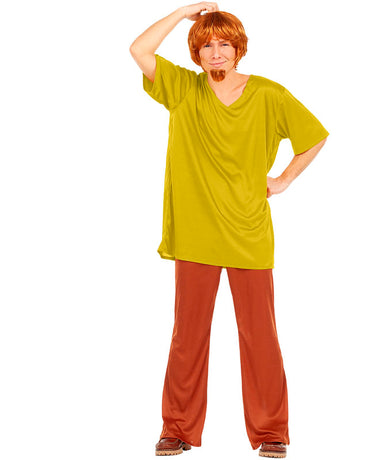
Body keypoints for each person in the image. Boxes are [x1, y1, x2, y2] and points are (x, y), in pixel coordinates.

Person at [129, 2, 329, 457]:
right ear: (196, 53)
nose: (215, 52)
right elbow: (139, 50)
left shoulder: (268, 94)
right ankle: (177, 428)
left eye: (224, 44)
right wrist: (184, 12)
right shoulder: (183, 88)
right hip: (196, 234)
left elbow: (314, 136)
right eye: (206, 46)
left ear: (239, 49)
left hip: (248, 231)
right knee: (187, 337)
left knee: (260, 336)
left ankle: (271, 432)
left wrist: (283, 180)